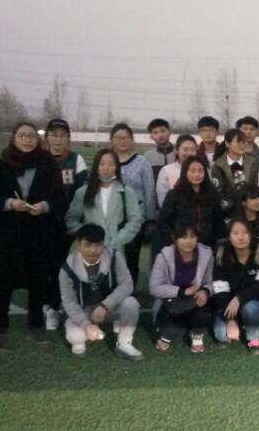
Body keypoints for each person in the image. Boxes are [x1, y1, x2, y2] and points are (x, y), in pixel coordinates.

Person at [0, 122, 67, 350]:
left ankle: (36, 325)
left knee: (39, 280)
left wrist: (44, 207)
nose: (27, 140)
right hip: (10, 235)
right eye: (22, 135)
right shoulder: (1, 166)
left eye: (31, 136)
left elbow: (59, 198)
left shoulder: (48, 164)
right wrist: (10, 203)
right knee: (4, 282)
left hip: (40, 233)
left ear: (38, 140)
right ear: (14, 138)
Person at [59, 223, 142, 360]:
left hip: (108, 307)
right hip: (84, 310)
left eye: (98, 245)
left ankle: (124, 343)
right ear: (78, 245)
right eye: (87, 245)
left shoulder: (115, 257)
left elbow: (127, 284)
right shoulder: (67, 269)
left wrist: (105, 305)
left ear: (103, 244)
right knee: (75, 337)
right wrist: (85, 325)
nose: (93, 250)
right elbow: (69, 302)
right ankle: (85, 335)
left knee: (131, 303)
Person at [43, 117, 89, 330]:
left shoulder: (76, 159)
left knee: (59, 266)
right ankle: (47, 303)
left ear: (68, 138)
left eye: (62, 135)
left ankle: (55, 306)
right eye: (54, 135)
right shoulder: (39, 158)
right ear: (47, 137)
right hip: (41, 221)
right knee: (42, 265)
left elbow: (83, 190)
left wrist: (75, 220)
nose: (58, 139)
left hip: (65, 223)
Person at [150, 222, 214, 353]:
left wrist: (206, 290)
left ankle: (197, 335)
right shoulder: (163, 256)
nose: (189, 241)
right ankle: (167, 333)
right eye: (183, 237)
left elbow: (212, 281)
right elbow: (154, 287)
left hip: (196, 301)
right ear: (174, 238)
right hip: (173, 303)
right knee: (172, 330)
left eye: (192, 236)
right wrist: (182, 291)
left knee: (203, 314)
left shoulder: (206, 255)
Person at [211, 218, 259, 354]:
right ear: (229, 237)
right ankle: (237, 322)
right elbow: (220, 290)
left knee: (252, 307)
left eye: (245, 233)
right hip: (228, 305)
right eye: (235, 233)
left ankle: (253, 337)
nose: (241, 237)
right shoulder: (222, 254)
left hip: (253, 303)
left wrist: (239, 298)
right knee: (221, 335)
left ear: (251, 235)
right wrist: (230, 319)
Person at [65, 148, 143, 251]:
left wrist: (118, 240)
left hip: (116, 249)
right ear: (96, 166)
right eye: (102, 164)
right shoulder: (82, 192)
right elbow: (71, 219)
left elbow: (135, 220)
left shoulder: (126, 192)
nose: (106, 168)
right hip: (88, 249)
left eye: (111, 164)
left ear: (117, 167)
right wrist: (87, 235)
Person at [110, 123, 157, 287]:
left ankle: (129, 291)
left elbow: (149, 191)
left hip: (135, 219)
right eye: (118, 137)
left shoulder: (142, 162)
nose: (122, 141)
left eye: (126, 138)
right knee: (110, 256)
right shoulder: (106, 160)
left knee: (131, 257)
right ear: (112, 139)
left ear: (131, 139)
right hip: (110, 218)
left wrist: (150, 219)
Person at [158, 156, 224, 248]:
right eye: (192, 171)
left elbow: (218, 220)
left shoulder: (212, 193)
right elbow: (164, 223)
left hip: (208, 245)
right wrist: (173, 242)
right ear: (185, 172)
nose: (197, 175)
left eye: (200, 171)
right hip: (182, 245)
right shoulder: (174, 195)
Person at [211, 128, 259, 217]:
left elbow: (258, 188)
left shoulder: (253, 163)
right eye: (238, 142)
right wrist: (234, 207)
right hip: (227, 214)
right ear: (227, 144)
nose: (242, 145)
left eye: (244, 142)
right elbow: (217, 194)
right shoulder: (218, 166)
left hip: (251, 212)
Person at [155, 134, 201, 208]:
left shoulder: (202, 170)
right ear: (177, 150)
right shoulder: (166, 171)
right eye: (185, 149)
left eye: (192, 150)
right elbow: (163, 201)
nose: (189, 153)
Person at [143, 118, 176, 184]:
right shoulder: (147, 157)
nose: (160, 135)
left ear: (169, 132)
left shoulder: (180, 153)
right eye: (155, 133)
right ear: (151, 136)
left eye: (163, 131)